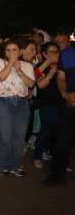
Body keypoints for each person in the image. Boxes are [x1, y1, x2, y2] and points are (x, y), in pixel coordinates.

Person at [0, 40, 35, 177]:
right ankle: (3, 166)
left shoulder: (27, 65)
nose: (12, 53)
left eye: (14, 50)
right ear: (4, 52)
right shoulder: (0, 62)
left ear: (20, 51)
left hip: (22, 103)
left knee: (19, 137)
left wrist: (19, 70)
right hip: (3, 103)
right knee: (4, 137)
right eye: (8, 50)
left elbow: (31, 84)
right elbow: (1, 77)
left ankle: (16, 165)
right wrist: (11, 63)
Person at [43, 42, 75, 186]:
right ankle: (57, 175)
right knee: (62, 140)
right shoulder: (67, 54)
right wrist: (64, 93)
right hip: (68, 104)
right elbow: (61, 78)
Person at [33, 42, 60, 169]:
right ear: (44, 54)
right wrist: (51, 73)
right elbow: (40, 84)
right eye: (52, 52)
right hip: (47, 104)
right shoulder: (41, 67)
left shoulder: (63, 65)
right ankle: (37, 156)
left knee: (59, 132)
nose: (55, 54)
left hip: (62, 103)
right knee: (46, 130)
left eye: (57, 51)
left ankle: (57, 158)